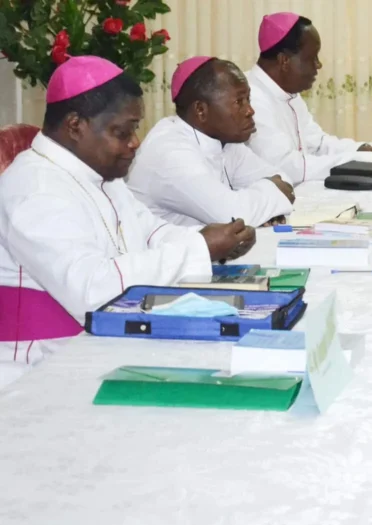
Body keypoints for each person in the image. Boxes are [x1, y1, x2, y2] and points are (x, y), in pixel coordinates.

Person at [0, 56, 255, 387]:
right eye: (123, 131)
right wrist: (199, 247)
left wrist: (214, 241)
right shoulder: (35, 188)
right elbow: (92, 291)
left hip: (97, 347)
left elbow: (151, 232)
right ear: (76, 125)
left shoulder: (99, 174)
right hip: (39, 369)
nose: (134, 143)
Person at [129, 56, 295, 227]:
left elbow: (283, 179)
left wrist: (263, 209)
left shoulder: (225, 141)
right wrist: (267, 204)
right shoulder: (170, 151)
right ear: (201, 110)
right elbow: (233, 216)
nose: (250, 111)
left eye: (248, 100)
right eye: (239, 102)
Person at [246, 12, 372, 184]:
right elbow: (288, 167)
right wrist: (367, 160)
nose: (318, 65)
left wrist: (365, 150)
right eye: (312, 57)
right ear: (284, 60)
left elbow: (318, 144)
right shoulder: (250, 98)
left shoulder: (288, 92)